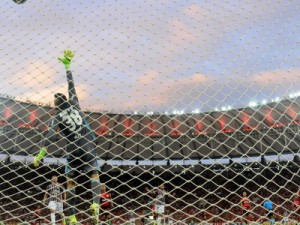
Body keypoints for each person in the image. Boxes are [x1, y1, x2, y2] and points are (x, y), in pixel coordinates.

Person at [33, 49, 101, 224]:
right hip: (87, 147)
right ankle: (95, 204)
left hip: (72, 151)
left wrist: (42, 153)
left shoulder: (56, 117)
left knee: (71, 183)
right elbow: (72, 87)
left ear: (56, 106)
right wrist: (68, 65)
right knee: (94, 175)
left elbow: (50, 136)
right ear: (67, 101)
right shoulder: (75, 105)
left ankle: (71, 217)